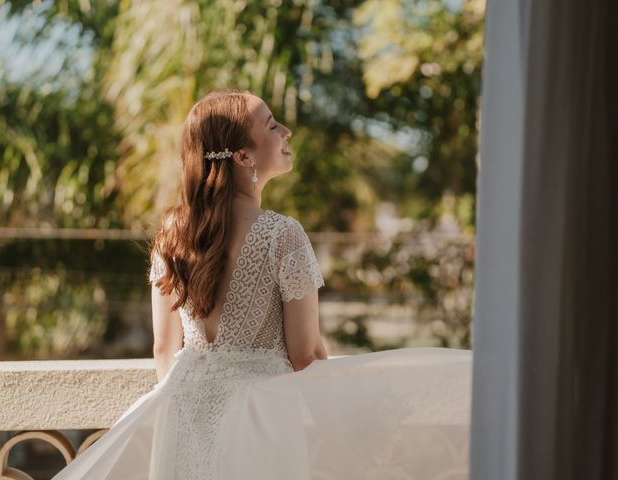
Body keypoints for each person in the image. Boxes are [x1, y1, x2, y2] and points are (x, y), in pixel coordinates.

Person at [53, 90, 472, 480]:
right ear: (242, 156)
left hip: (182, 411)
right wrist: (348, 425)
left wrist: (194, 403)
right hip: (262, 419)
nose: (286, 132)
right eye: (272, 126)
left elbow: (165, 348)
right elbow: (305, 355)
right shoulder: (282, 236)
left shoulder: (172, 234)